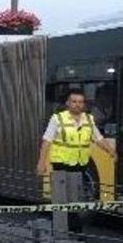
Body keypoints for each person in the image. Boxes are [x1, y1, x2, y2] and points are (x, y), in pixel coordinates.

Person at [36, 90, 117, 232]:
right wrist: (41, 162)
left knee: (75, 198)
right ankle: (61, 231)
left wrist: (111, 151)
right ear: (68, 103)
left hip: (79, 165)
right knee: (61, 198)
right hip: (61, 164)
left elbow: (98, 139)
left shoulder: (88, 120)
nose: (77, 105)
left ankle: (74, 229)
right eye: (74, 101)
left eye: (80, 102)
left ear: (84, 104)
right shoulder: (58, 119)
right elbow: (47, 142)